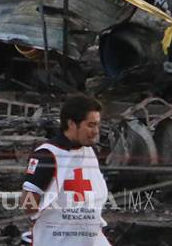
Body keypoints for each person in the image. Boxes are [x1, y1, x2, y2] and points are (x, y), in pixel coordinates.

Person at [21, 94, 109, 245]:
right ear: (71, 123)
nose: (96, 131)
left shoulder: (89, 151)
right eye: (90, 125)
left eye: (97, 125)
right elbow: (28, 205)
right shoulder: (47, 155)